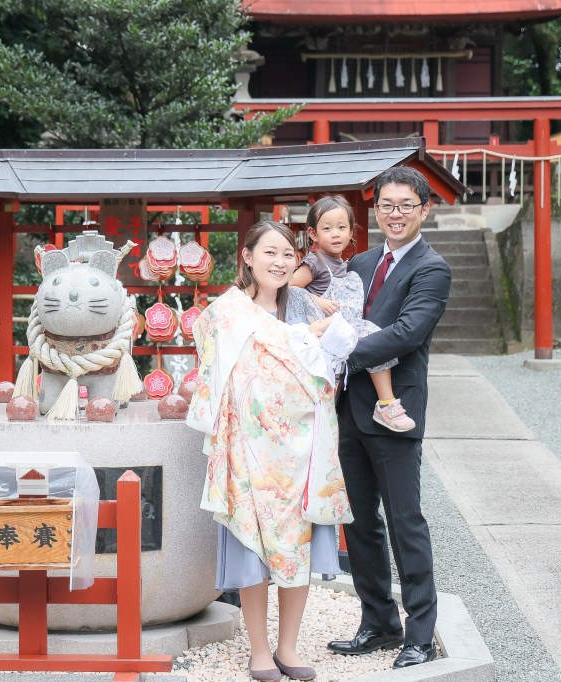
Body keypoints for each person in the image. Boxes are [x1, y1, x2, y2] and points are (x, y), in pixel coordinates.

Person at [187, 220, 356, 682]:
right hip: (249, 449)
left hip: (301, 449)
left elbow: (328, 370)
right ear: (247, 256)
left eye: (289, 255)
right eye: (271, 253)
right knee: (253, 548)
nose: (281, 262)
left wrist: (315, 342)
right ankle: (259, 650)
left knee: (297, 546)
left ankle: (289, 647)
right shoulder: (228, 311)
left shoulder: (301, 308)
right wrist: (305, 340)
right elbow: (220, 371)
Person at [326, 166, 451, 669]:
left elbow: (406, 333)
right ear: (374, 209)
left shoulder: (432, 268)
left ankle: (419, 634)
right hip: (348, 409)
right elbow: (334, 311)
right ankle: (378, 621)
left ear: (425, 210)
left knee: (405, 522)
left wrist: (334, 348)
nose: (394, 213)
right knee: (358, 523)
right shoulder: (358, 261)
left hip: (393, 411)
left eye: (405, 205)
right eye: (386, 204)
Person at [291, 194, 416, 432]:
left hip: (345, 329)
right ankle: (386, 402)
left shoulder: (347, 264)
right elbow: (289, 286)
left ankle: (385, 404)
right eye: (327, 228)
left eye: (341, 227)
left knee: (371, 347)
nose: (335, 234)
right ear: (313, 234)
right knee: (373, 337)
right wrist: (317, 299)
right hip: (325, 329)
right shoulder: (315, 262)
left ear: (351, 232)